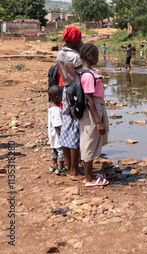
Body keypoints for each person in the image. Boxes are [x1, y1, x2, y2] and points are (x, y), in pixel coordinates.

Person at [79, 43, 109, 187]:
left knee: (91, 140)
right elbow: (89, 99)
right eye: (96, 55)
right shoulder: (88, 75)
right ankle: (89, 178)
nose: (98, 57)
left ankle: (89, 174)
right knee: (89, 141)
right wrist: (98, 121)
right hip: (93, 110)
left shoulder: (90, 72)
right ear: (88, 56)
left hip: (97, 107)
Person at [56, 26, 83, 181]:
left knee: (66, 127)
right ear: (76, 40)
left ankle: (68, 167)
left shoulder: (60, 55)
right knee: (74, 130)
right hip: (76, 92)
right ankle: (74, 170)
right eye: (79, 39)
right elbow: (82, 75)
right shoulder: (75, 57)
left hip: (66, 89)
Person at [47, 85, 66, 176]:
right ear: (58, 97)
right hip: (57, 134)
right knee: (61, 151)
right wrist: (60, 134)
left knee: (54, 150)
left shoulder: (50, 107)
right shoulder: (57, 110)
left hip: (51, 133)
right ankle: (61, 168)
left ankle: (54, 165)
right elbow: (57, 123)